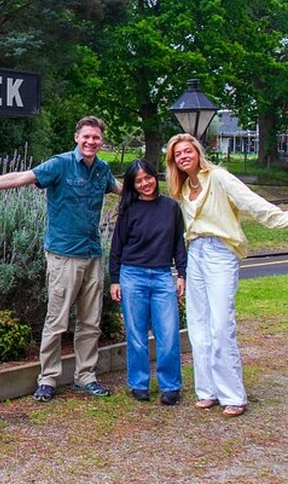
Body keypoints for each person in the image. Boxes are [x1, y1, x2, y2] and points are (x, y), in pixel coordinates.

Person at [0, 115, 122, 401]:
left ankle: (86, 376)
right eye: (86, 136)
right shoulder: (60, 164)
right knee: (57, 321)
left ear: (101, 141)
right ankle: (49, 379)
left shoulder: (102, 170)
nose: (91, 141)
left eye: (96, 138)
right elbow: (21, 177)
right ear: (76, 137)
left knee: (91, 321)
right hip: (64, 255)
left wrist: (155, 192)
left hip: (93, 254)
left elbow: (123, 190)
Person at [165, 133, 288, 418]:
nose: (183, 157)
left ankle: (233, 396)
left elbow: (251, 203)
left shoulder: (219, 178)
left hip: (220, 253)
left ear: (197, 152)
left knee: (220, 325)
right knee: (198, 324)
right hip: (196, 253)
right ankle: (207, 391)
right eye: (177, 154)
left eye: (187, 151)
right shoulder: (181, 188)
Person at [109, 159, 186, 406]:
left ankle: (170, 386)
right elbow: (116, 246)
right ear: (133, 184)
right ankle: (139, 384)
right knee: (136, 335)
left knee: (169, 334)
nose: (145, 184)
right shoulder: (128, 209)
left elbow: (178, 244)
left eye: (148, 178)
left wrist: (181, 274)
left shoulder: (171, 208)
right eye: (138, 181)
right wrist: (114, 280)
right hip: (132, 276)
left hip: (163, 276)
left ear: (155, 176)